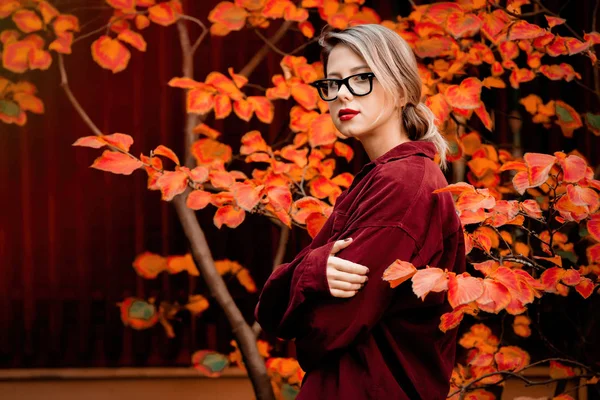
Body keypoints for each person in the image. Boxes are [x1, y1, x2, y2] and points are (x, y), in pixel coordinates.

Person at [254, 24, 466, 400]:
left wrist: (298, 283)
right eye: (332, 83)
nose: (343, 94)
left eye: (361, 78)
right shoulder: (382, 178)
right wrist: (311, 272)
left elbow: (330, 328)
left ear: (401, 89)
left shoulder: (404, 181)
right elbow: (272, 315)